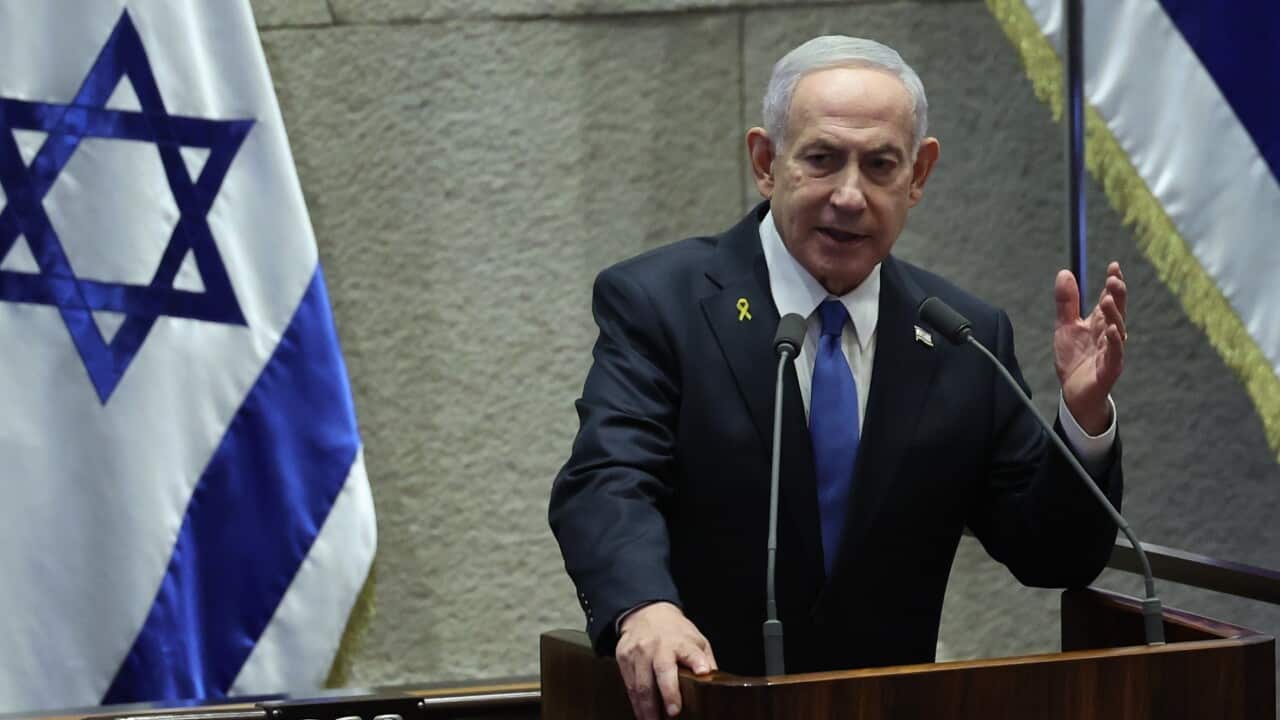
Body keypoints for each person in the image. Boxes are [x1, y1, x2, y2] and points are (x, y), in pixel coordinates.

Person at [549, 36, 1127, 720]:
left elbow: (1051, 551)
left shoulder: (963, 335)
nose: (849, 196)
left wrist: (1084, 420)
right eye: (822, 159)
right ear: (767, 162)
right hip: (702, 704)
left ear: (918, 176)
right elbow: (606, 480)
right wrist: (643, 606)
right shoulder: (662, 303)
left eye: (881, 166)